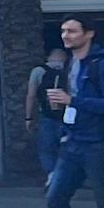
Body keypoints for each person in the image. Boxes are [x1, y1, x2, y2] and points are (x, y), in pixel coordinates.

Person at [42, 15, 104, 208]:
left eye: (72, 31)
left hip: (98, 143)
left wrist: (74, 101)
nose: (66, 36)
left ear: (89, 34)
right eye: (63, 31)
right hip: (73, 143)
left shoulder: (100, 64)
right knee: (55, 197)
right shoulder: (69, 64)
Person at [31, 46, 72, 174]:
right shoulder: (70, 70)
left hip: (47, 115)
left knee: (46, 148)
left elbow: (31, 95)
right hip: (67, 116)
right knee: (67, 148)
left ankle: (52, 174)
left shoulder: (39, 70)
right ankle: (64, 175)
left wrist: (28, 117)